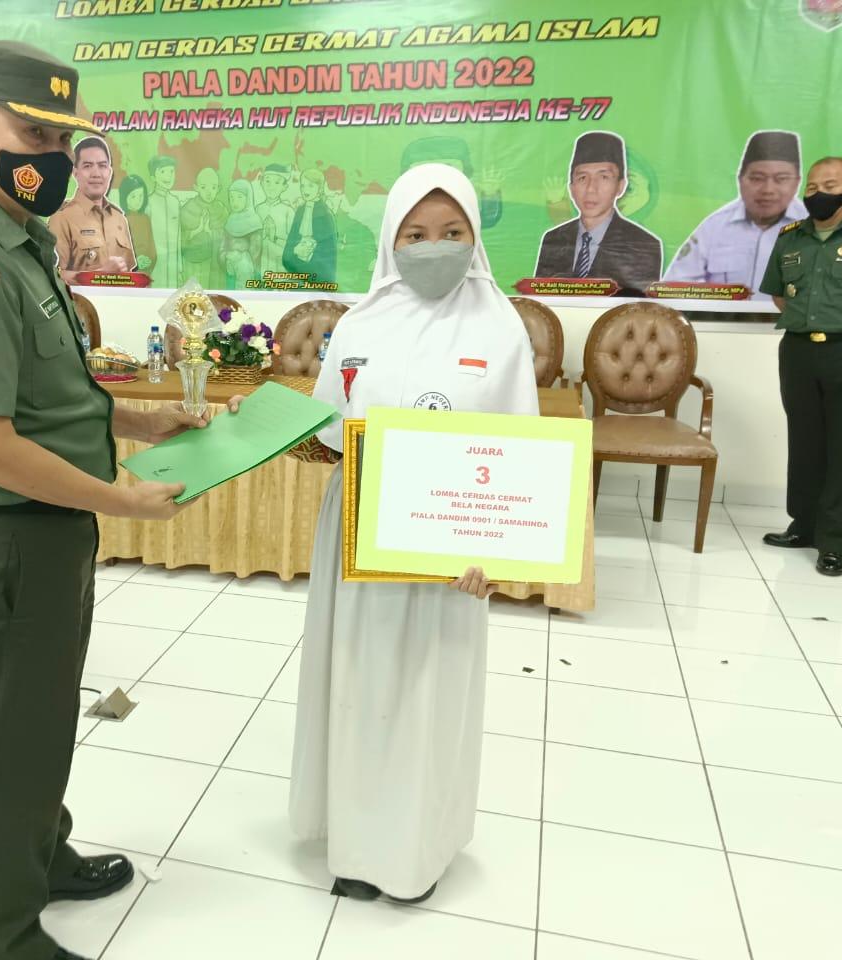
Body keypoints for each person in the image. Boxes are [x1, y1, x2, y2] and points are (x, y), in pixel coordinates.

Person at [0, 40, 214, 960]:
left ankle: (43, 857)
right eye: (32, 133)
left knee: (40, 727)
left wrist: (144, 423)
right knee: (8, 748)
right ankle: (2, 933)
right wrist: (121, 502)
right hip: (8, 542)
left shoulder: (20, 242)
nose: (51, 155)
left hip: (46, 537)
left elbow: (51, 399)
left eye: (60, 138)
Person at [288, 163, 539, 902]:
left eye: (452, 232)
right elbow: (327, 432)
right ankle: (354, 845)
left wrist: (492, 551)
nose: (435, 247)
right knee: (357, 680)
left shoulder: (499, 328)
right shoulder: (360, 325)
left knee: (428, 695)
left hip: (448, 549)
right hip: (360, 532)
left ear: (475, 236)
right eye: (416, 234)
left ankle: (412, 856)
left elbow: (522, 451)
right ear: (391, 241)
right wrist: (272, 430)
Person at [758, 156, 842, 577]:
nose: (819, 193)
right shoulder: (791, 237)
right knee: (805, 443)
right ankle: (804, 526)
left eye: (830, 186)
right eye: (812, 187)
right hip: (800, 351)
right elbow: (779, 294)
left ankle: (833, 543)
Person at [665, 131, 807, 296]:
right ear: (740, 180)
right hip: (721, 314)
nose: (768, 190)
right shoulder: (714, 227)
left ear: (797, 182)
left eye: (781, 179)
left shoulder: (812, 226)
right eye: (757, 178)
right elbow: (674, 286)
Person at [535, 131, 662, 291]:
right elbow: (540, 297)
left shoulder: (644, 245)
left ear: (621, 186)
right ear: (571, 188)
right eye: (582, 178)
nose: (591, 189)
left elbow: (639, 305)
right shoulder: (553, 239)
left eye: (604, 177)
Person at [48, 136, 135, 285]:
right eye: (88, 166)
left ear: (110, 172)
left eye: (102, 166)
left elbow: (129, 273)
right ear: (75, 173)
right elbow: (52, 276)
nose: (96, 174)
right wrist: (100, 275)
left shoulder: (119, 218)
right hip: (80, 300)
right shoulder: (62, 218)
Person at [284, 169, 338, 284]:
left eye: (310, 186)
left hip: (316, 275)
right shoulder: (300, 211)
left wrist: (309, 257)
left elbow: (328, 251)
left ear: (320, 189)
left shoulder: (326, 214)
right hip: (296, 270)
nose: (305, 190)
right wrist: (295, 250)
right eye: (302, 186)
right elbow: (290, 242)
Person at [180, 166, 227, 287]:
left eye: (213, 187)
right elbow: (178, 237)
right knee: (193, 293)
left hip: (214, 263)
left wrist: (210, 232)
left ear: (218, 188)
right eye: (203, 187)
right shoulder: (187, 208)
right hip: (191, 262)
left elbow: (227, 238)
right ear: (196, 188)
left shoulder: (221, 210)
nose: (209, 192)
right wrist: (197, 230)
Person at [147, 155, 183, 286]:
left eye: (171, 171)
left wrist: (180, 267)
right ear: (153, 177)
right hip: (155, 265)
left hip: (173, 266)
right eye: (162, 171)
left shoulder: (175, 202)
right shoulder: (148, 203)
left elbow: (179, 238)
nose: (168, 176)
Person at [221, 179, 262, 288]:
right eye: (231, 198)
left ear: (248, 198)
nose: (235, 202)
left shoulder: (254, 220)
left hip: (247, 270)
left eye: (239, 197)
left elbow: (256, 250)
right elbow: (224, 244)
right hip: (230, 268)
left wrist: (242, 257)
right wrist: (226, 257)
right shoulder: (230, 220)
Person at [255, 162, 295, 276]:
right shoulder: (258, 209)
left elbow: (293, 241)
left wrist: (275, 239)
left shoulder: (288, 211)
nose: (271, 186)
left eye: (277, 182)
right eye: (267, 181)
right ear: (262, 183)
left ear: (284, 187)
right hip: (261, 262)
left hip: (280, 263)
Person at [119, 173, 155, 275]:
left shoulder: (145, 219)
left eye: (141, 196)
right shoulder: (120, 219)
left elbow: (152, 248)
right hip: (127, 275)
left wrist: (148, 260)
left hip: (145, 272)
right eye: (133, 196)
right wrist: (135, 261)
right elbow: (118, 250)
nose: (138, 200)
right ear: (124, 197)